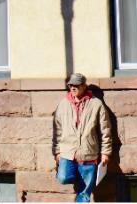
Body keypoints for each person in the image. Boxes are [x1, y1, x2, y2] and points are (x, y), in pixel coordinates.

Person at [52, 72, 113, 202]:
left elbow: (105, 130)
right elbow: (57, 130)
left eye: (76, 85)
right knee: (62, 177)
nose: (73, 88)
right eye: (70, 85)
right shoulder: (63, 104)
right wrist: (57, 151)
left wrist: (105, 153)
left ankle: (83, 186)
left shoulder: (96, 104)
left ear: (84, 86)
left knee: (85, 193)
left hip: (88, 153)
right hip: (68, 153)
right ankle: (81, 178)